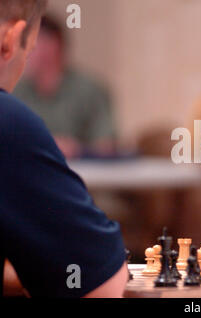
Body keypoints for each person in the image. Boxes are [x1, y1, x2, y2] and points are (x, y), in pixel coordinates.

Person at [0, 0, 128, 297]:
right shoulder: (10, 118)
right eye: (30, 50)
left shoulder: (88, 88)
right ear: (10, 40)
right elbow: (102, 286)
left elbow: (109, 143)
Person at [14, 15, 117, 159]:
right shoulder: (17, 92)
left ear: (53, 46)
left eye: (28, 44)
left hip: (82, 175)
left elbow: (108, 145)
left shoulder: (89, 90)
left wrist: (77, 149)